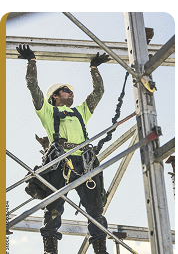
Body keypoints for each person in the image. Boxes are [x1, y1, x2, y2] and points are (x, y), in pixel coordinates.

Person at [16, 45, 113, 254]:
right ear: (55, 96)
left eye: (71, 91)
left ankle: (100, 249)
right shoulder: (48, 111)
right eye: (66, 90)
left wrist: (94, 68)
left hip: (85, 164)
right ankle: (51, 250)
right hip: (61, 163)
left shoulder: (80, 112)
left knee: (96, 210)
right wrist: (31, 61)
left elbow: (99, 92)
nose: (71, 93)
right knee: (53, 208)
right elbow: (33, 87)